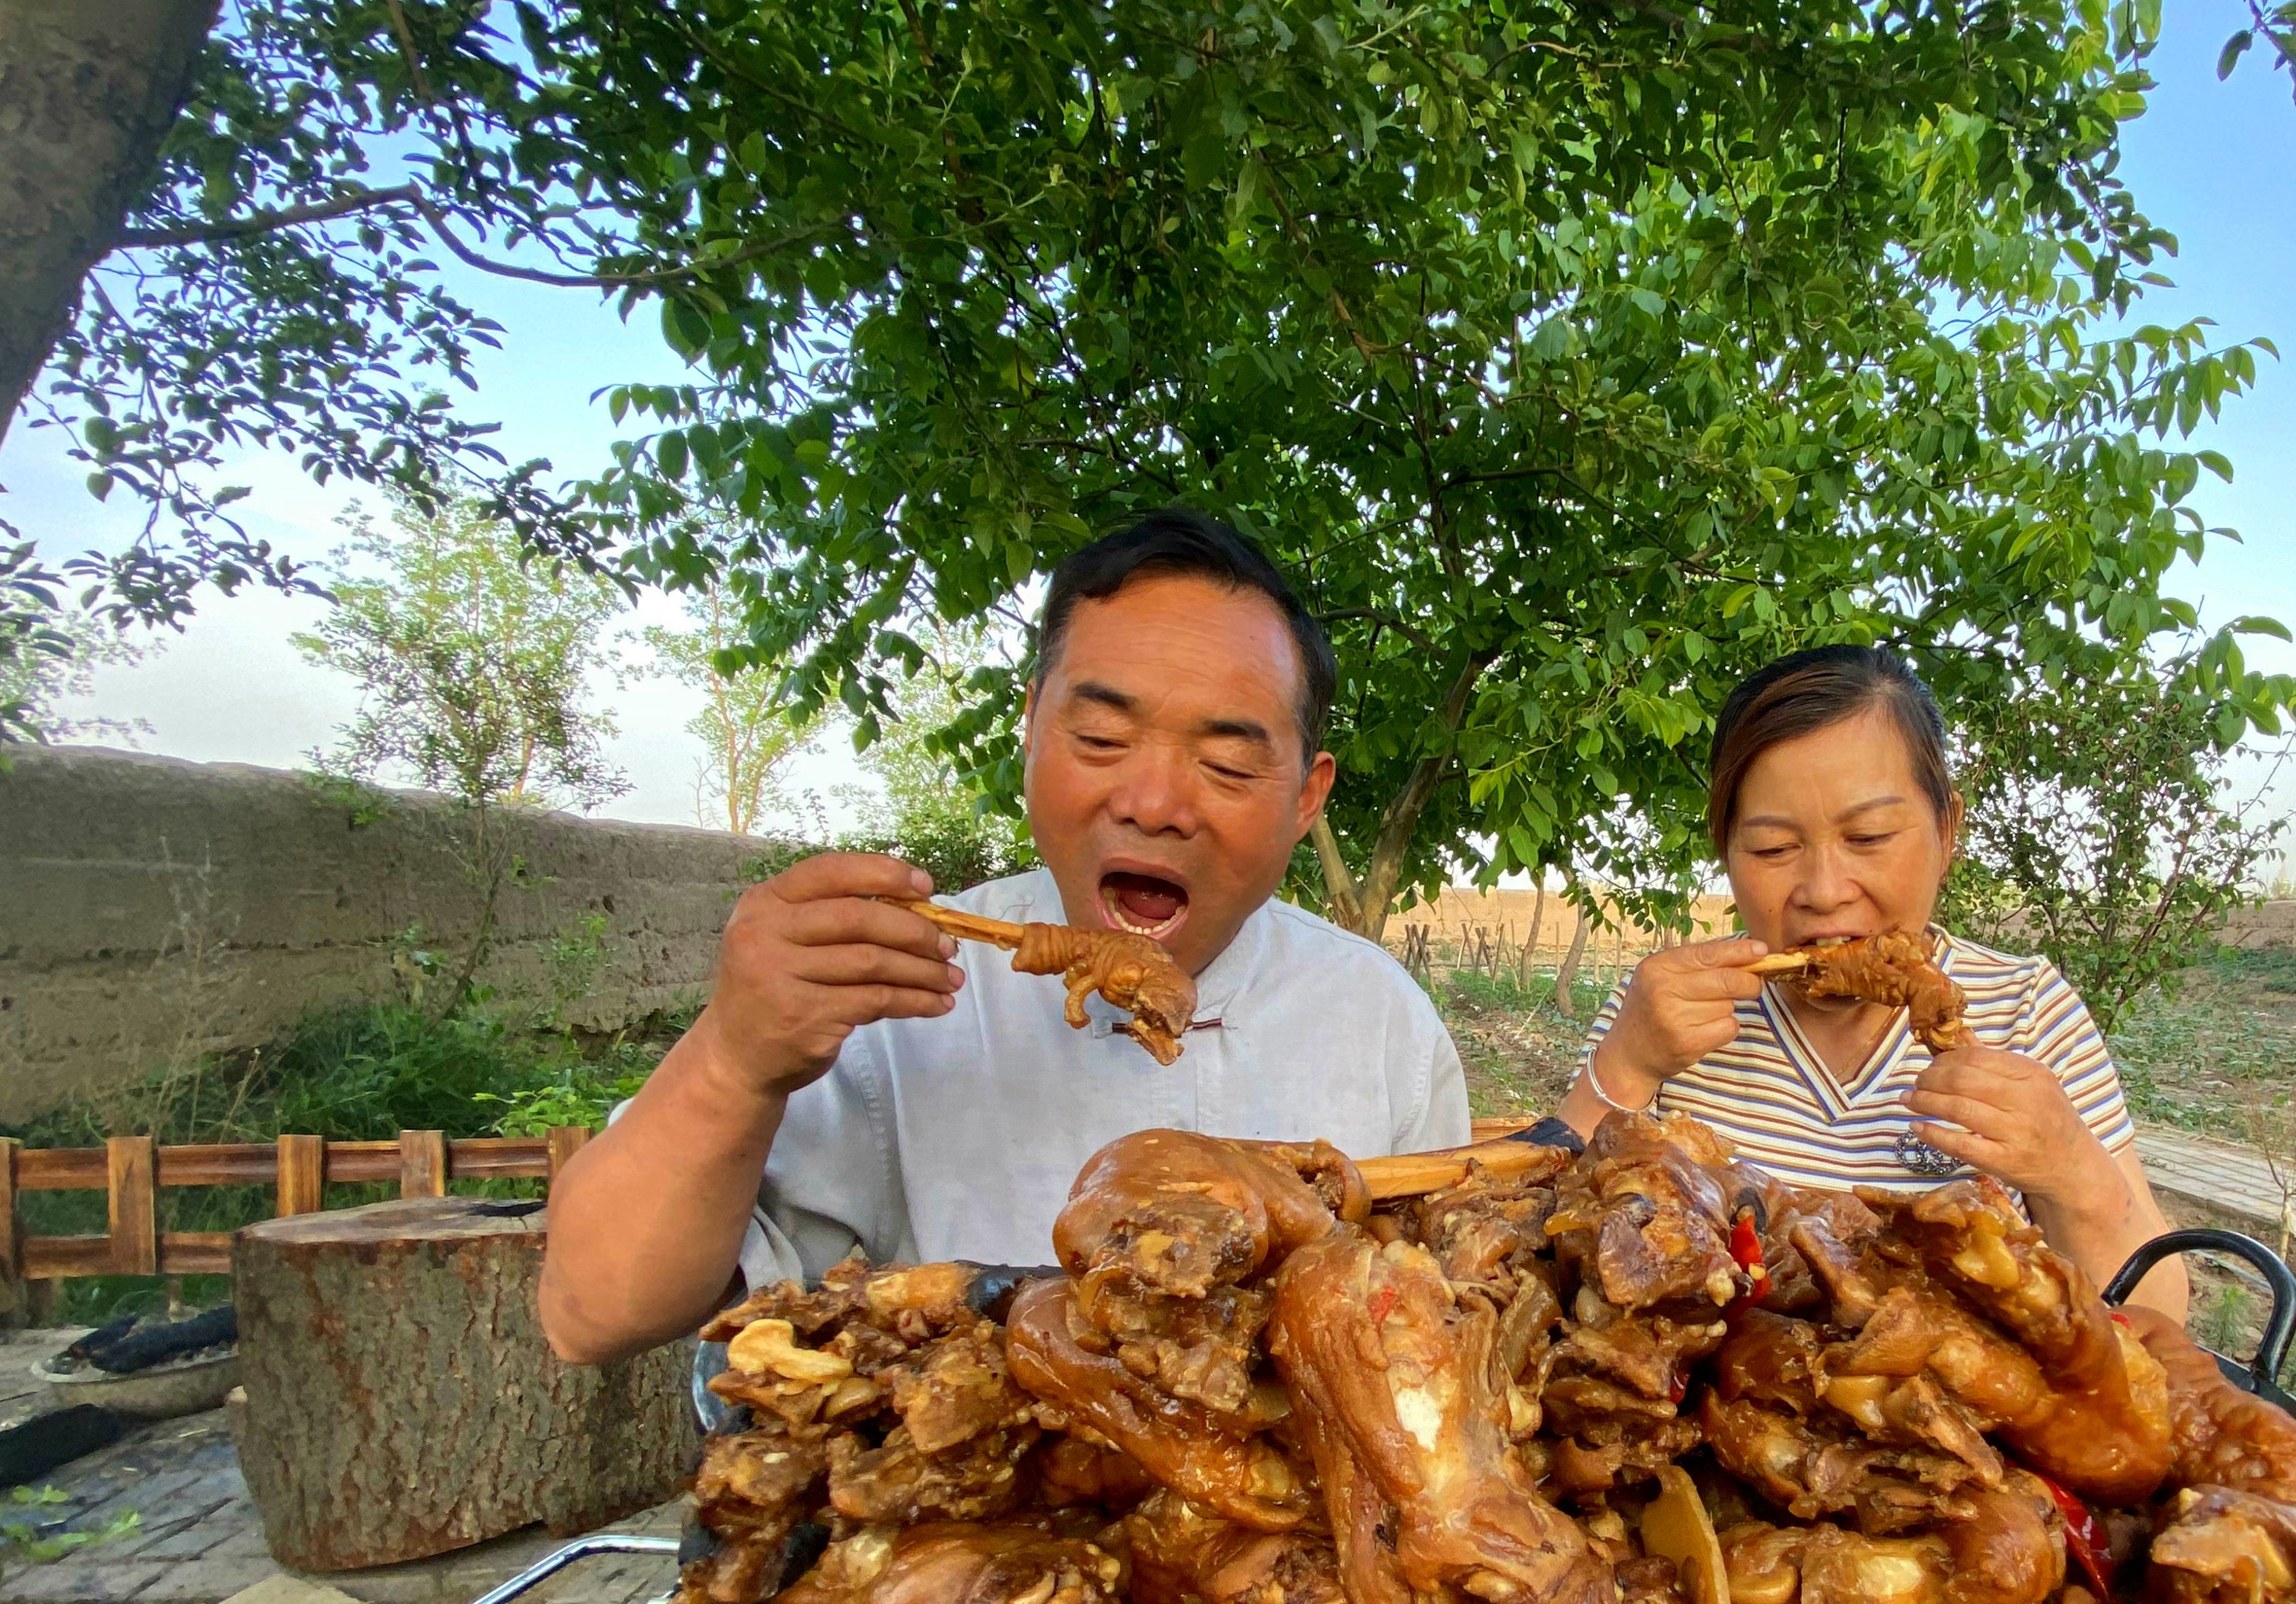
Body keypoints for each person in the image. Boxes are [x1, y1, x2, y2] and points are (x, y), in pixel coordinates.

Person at [539, 510, 1471, 1366]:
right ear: (1029, 726)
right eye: (1102, 739)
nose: (1151, 803)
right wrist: (732, 1061)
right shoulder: (901, 996)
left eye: (1225, 762)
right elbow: (593, 1314)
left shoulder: (1373, 1012)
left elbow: (1434, 1318)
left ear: (1305, 797)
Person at [1560, 643, 2189, 1320]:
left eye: (1868, 837)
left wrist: (2069, 1169)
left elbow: (2157, 1317)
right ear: (1727, 853)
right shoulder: (1666, 1011)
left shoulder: (2026, 1012)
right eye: (1773, 849)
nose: (1824, 892)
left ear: (1948, 831)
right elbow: (1551, 1238)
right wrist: (1625, 1066)